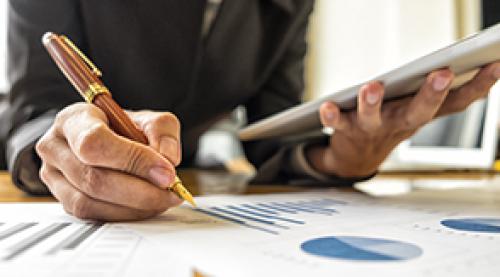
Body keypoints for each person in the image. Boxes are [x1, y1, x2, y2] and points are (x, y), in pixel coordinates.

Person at [1, 0, 499, 221]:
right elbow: (34, 107)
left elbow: (272, 128)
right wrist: (64, 139)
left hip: (174, 174)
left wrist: (346, 159)